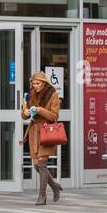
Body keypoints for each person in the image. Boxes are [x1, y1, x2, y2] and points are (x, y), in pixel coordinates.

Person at [22, 71, 63, 205]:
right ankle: (55, 186)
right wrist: (26, 112)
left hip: (46, 131)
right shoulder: (30, 94)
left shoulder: (53, 95)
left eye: (38, 83)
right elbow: (24, 116)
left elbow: (54, 116)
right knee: (36, 165)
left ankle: (42, 196)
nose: (35, 86)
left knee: (42, 164)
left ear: (44, 83)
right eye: (33, 84)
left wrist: (40, 110)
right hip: (34, 132)